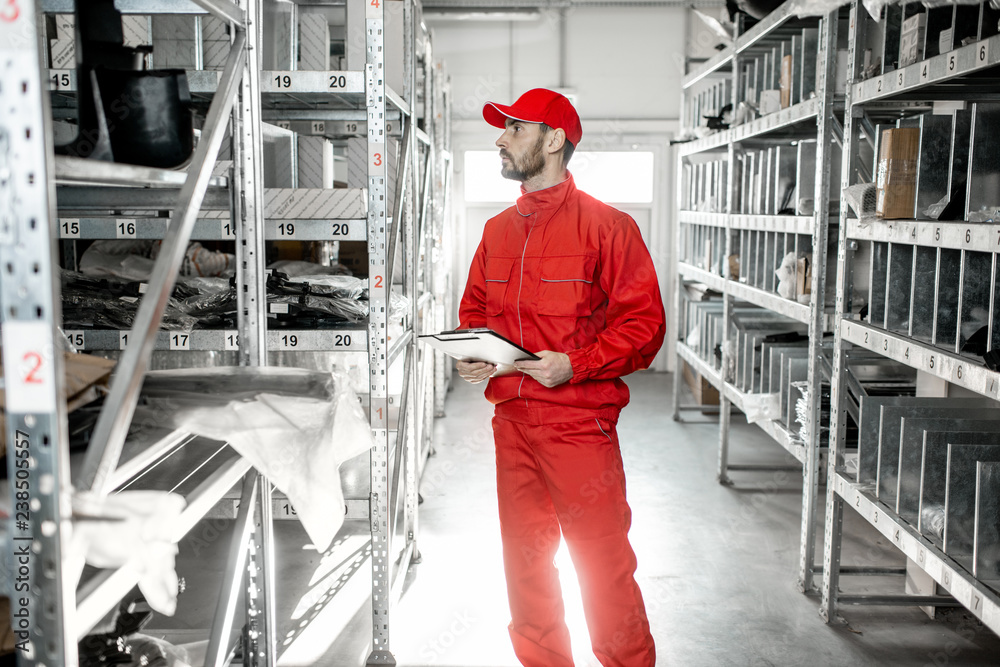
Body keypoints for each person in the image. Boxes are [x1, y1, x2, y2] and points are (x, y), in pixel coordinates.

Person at [456, 88, 665, 667]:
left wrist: (578, 364)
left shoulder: (609, 227)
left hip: (579, 426)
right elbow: (473, 311)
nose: (500, 138)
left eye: (515, 129)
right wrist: (472, 352)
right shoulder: (497, 231)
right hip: (512, 424)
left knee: (602, 567)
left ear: (553, 141)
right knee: (525, 567)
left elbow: (645, 328)